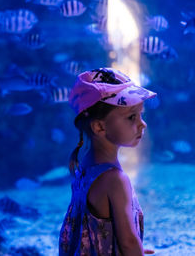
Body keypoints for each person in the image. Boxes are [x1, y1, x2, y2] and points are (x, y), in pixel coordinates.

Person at [59, 67, 157, 255]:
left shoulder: (85, 167)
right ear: (99, 126)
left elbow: (91, 233)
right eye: (131, 116)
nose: (142, 123)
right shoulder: (115, 180)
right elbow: (128, 241)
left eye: (141, 114)